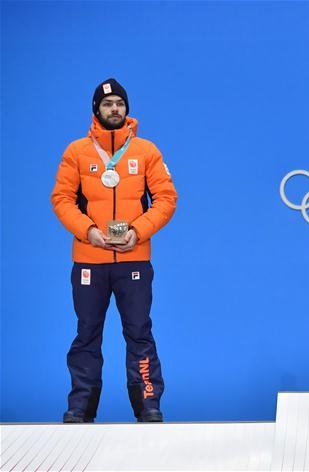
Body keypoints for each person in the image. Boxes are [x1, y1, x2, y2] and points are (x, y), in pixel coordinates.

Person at [51, 78, 177, 422]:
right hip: (89, 260)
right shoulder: (76, 152)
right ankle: (80, 406)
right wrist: (88, 231)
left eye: (119, 103)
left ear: (127, 109)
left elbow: (166, 199)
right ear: (96, 110)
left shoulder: (146, 151)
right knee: (86, 334)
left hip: (134, 259)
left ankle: (148, 403)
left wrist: (138, 231)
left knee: (139, 332)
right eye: (107, 104)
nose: (114, 109)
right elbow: (61, 200)